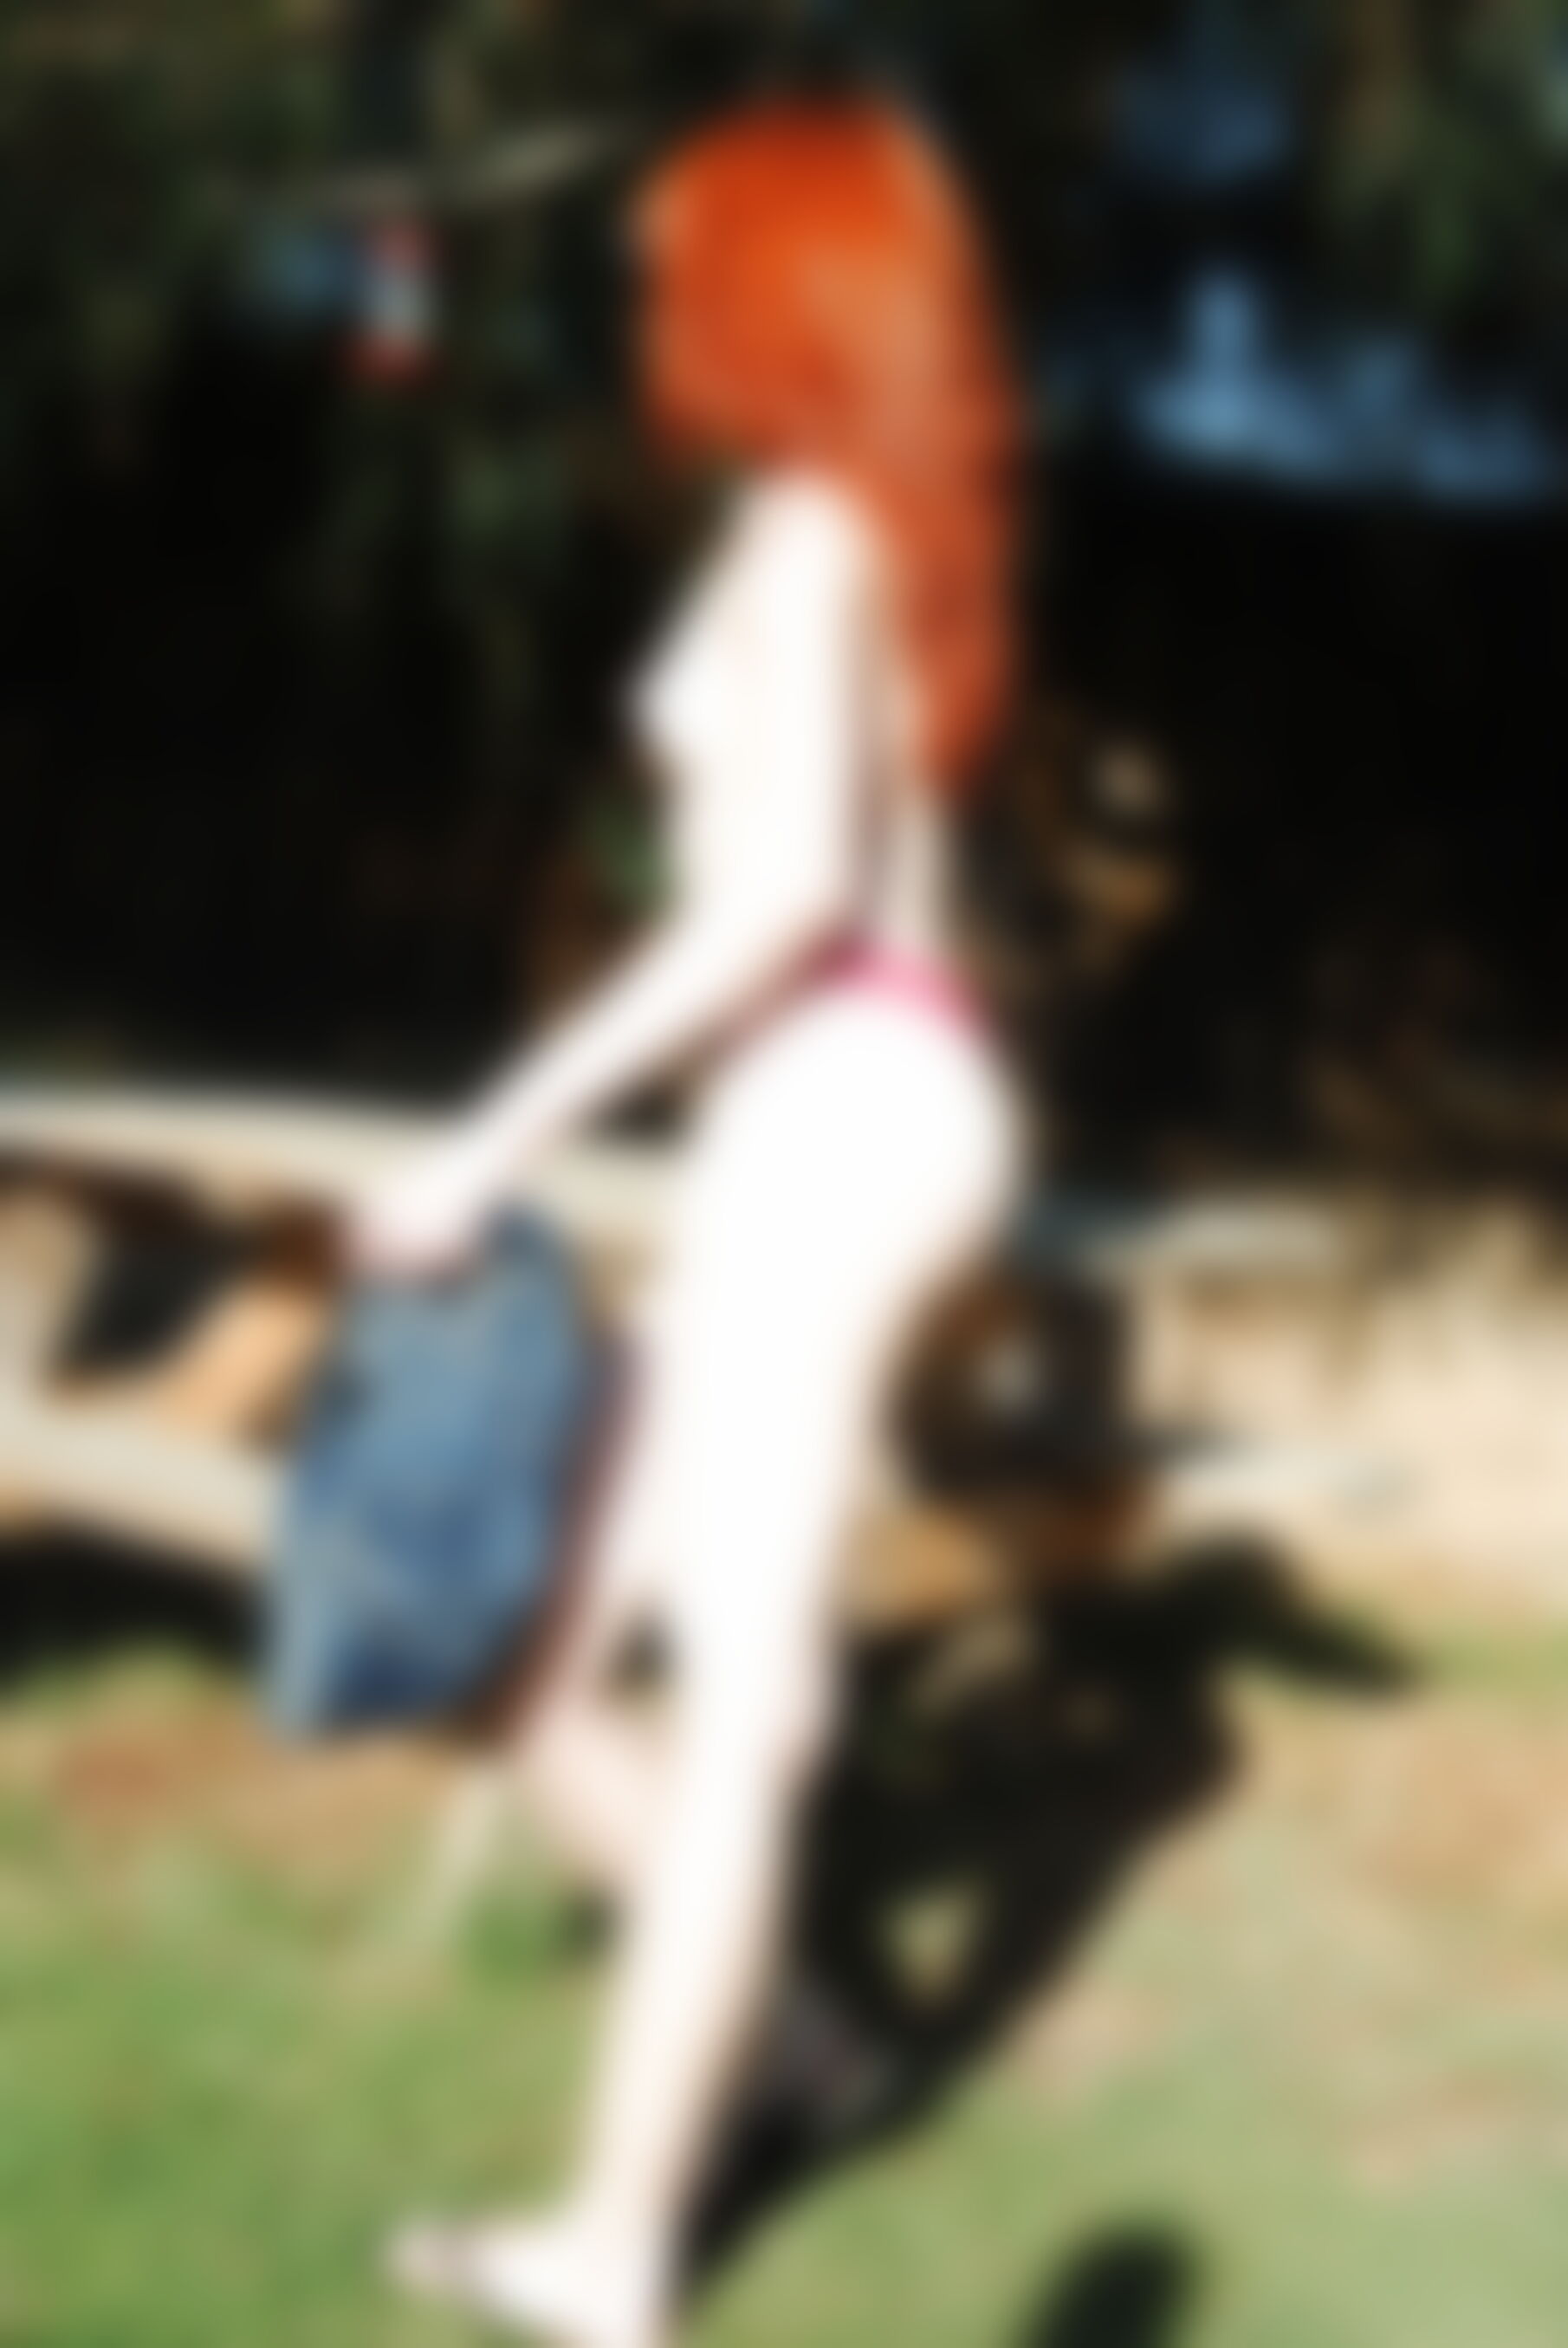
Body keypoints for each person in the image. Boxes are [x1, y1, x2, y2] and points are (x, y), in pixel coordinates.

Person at [349, 93, 1031, 2348]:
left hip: (839, 1087)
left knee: (739, 1694)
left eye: (678, 264)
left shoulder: (818, 533)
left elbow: (777, 893)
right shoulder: (829, 527)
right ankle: (799, 2040)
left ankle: (618, 2252)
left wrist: (494, 1138)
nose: (651, 302)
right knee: (536, 1648)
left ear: (776, 285)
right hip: (825, 1100)